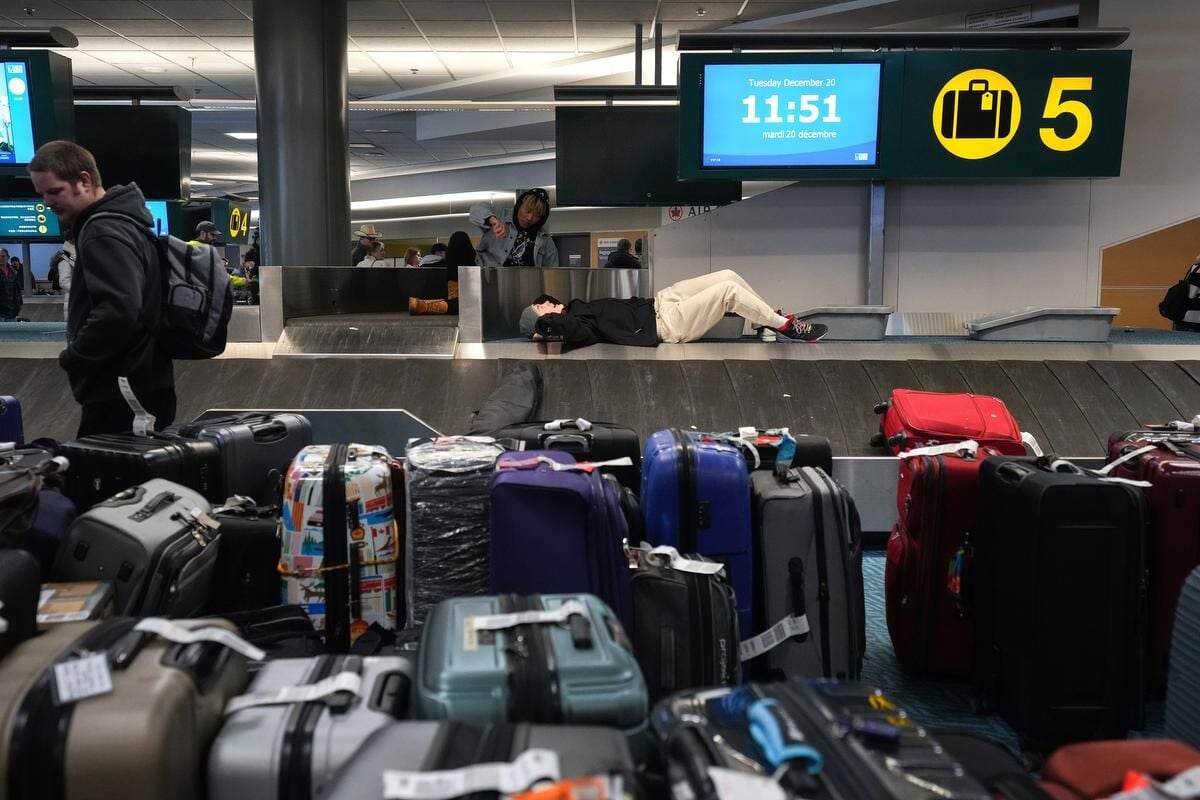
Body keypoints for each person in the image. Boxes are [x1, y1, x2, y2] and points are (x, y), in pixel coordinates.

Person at [29, 140, 176, 436]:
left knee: (103, 480)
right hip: (143, 383)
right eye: (42, 193)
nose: (47, 201)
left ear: (84, 180)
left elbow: (119, 310)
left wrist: (75, 357)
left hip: (122, 391)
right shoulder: (127, 223)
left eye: (54, 191)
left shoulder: (101, 230)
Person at [519, 269, 828, 347]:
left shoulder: (574, 308)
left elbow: (554, 305)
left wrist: (548, 313)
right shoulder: (577, 326)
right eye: (541, 307)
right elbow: (567, 331)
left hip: (660, 301)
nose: (547, 302)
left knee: (728, 275)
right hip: (665, 325)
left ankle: (767, 320)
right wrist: (541, 326)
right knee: (728, 292)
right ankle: (785, 326)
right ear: (544, 318)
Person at [469, 188, 559, 267]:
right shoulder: (500, 216)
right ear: (520, 204)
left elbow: (552, 272)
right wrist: (491, 219)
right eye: (528, 210)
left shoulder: (545, 240)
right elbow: (475, 210)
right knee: (459, 238)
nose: (529, 218)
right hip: (490, 277)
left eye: (536, 215)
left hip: (525, 283)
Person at [409, 230, 474, 315]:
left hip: (442, 301)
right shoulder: (474, 266)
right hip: (467, 306)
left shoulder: (443, 265)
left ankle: (425, 305)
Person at [0, 248, 21, 321]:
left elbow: (17, 291)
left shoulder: (14, 273)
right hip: (1, 312)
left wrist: (18, 305)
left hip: (12, 311)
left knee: (13, 332)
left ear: (8, 257)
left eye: (3, 256)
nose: (1, 259)